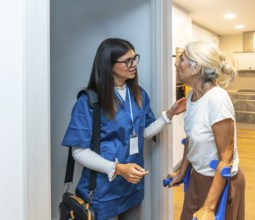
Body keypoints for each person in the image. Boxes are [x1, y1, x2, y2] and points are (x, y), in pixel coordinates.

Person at [61, 38, 186, 220]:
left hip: (131, 188)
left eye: (135, 58)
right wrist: (117, 168)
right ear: (108, 65)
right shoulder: (89, 101)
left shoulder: (139, 94)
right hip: (102, 192)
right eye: (127, 61)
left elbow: (141, 134)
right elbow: (79, 151)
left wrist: (169, 114)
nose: (134, 64)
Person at [167, 39, 245, 220]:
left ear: (196, 68)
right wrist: (181, 173)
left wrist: (209, 208)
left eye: (182, 59)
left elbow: (226, 158)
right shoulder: (192, 96)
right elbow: (190, 140)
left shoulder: (217, 100)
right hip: (197, 176)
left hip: (220, 183)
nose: (176, 63)